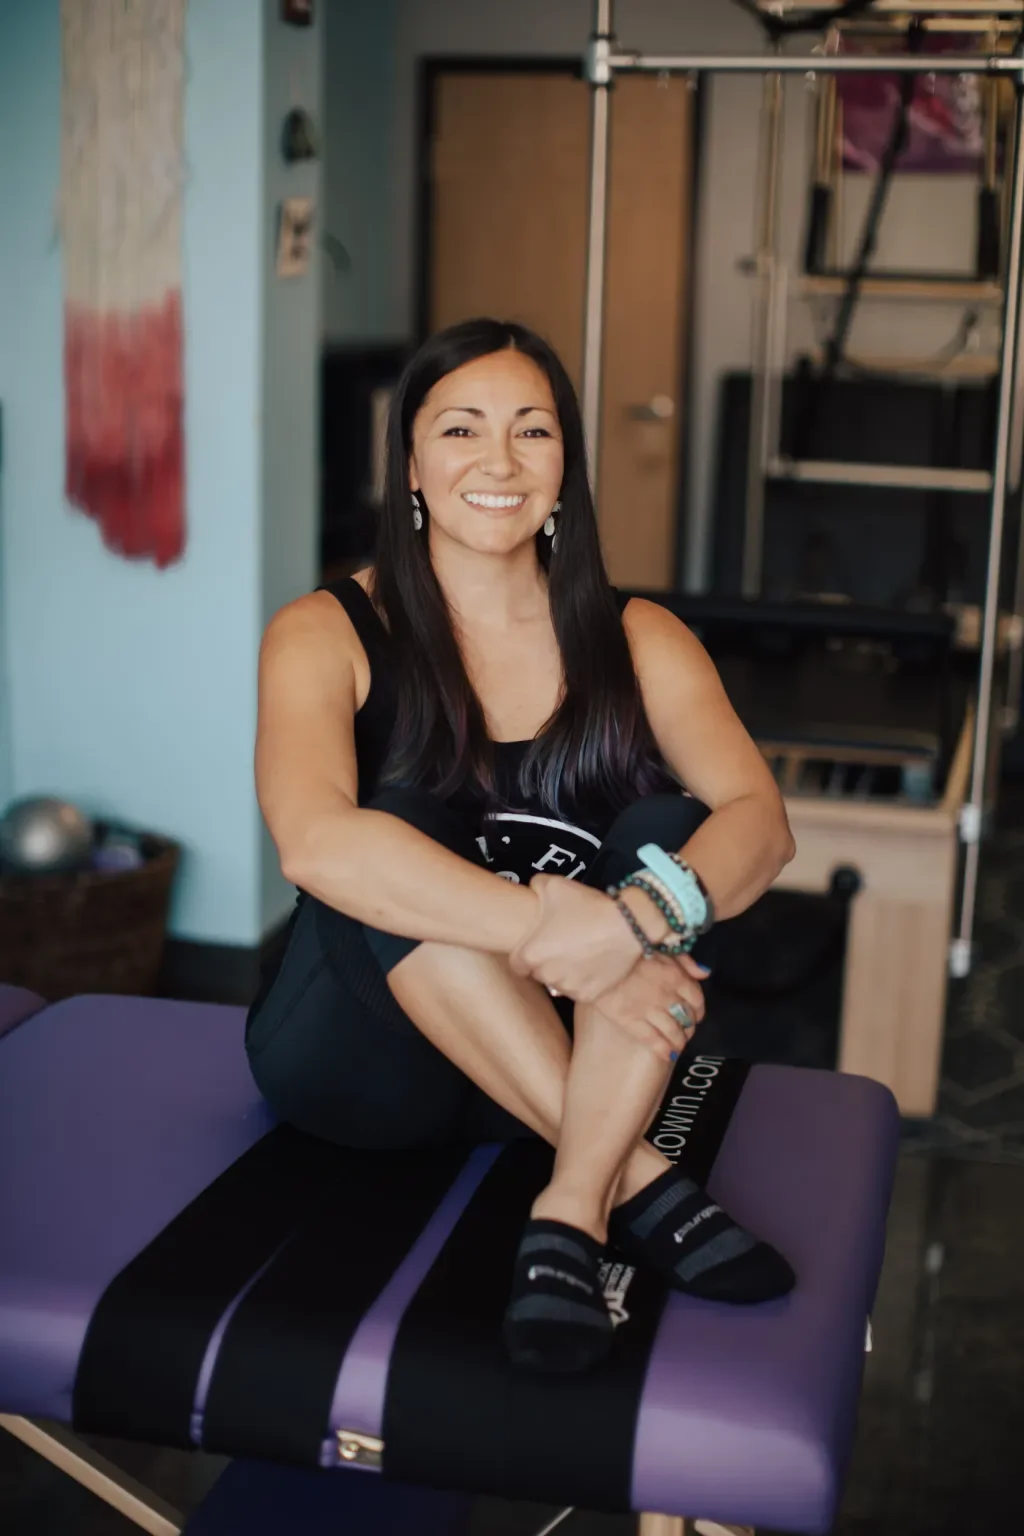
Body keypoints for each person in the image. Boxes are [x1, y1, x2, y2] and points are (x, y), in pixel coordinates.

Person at [249, 318, 797, 1377]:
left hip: (545, 1067)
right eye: (460, 430)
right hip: (361, 1072)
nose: (498, 463)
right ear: (411, 464)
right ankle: (638, 1180)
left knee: (667, 842)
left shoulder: (638, 638)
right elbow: (314, 845)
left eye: (531, 432)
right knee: (389, 836)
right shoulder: (323, 632)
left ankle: (571, 1207)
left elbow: (759, 826)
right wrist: (559, 927)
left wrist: (638, 919)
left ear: (565, 466)